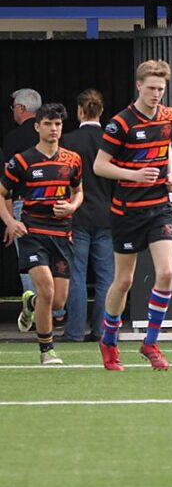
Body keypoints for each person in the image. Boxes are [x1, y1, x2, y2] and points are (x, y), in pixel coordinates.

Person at [93, 60, 172, 372]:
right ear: (139, 86)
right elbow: (100, 166)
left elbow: (166, 146)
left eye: (161, 89)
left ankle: (150, 343)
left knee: (166, 273)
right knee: (124, 280)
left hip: (159, 207)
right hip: (127, 211)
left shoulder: (169, 116)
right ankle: (109, 340)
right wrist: (134, 175)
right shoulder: (121, 124)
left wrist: (170, 173)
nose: (156, 94)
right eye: (152, 88)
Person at [0, 103, 83, 365]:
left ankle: (31, 303)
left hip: (62, 234)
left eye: (57, 124)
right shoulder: (22, 160)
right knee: (47, 289)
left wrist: (72, 206)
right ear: (37, 127)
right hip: (32, 232)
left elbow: (78, 191)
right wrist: (10, 221)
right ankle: (47, 350)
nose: (53, 129)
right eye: (48, 124)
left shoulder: (72, 159)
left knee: (58, 300)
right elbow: (2, 193)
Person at [57, 89, 114, 343]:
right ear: (101, 111)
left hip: (76, 214)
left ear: (80, 111)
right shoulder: (110, 141)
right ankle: (103, 329)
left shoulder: (67, 141)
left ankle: (75, 330)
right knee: (106, 276)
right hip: (107, 215)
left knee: (76, 274)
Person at [3, 88, 43, 298]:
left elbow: (7, 183)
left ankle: (33, 307)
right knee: (52, 256)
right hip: (52, 203)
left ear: (21, 108)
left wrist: (9, 218)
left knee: (28, 259)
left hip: (23, 204)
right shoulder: (49, 135)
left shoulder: (12, 139)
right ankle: (56, 309)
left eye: (13, 108)